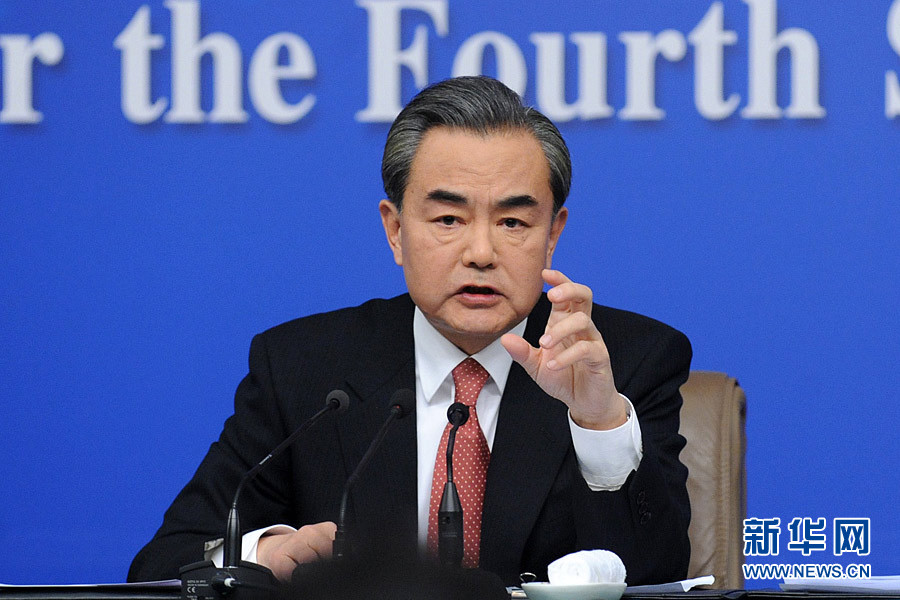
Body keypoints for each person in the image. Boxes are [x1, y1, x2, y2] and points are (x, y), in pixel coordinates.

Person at [128, 76, 691, 587]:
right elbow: (162, 565)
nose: (480, 252)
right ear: (395, 230)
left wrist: (599, 421)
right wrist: (263, 553)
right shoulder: (302, 368)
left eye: (512, 222)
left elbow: (660, 574)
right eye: (448, 219)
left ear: (552, 235)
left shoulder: (624, 361)